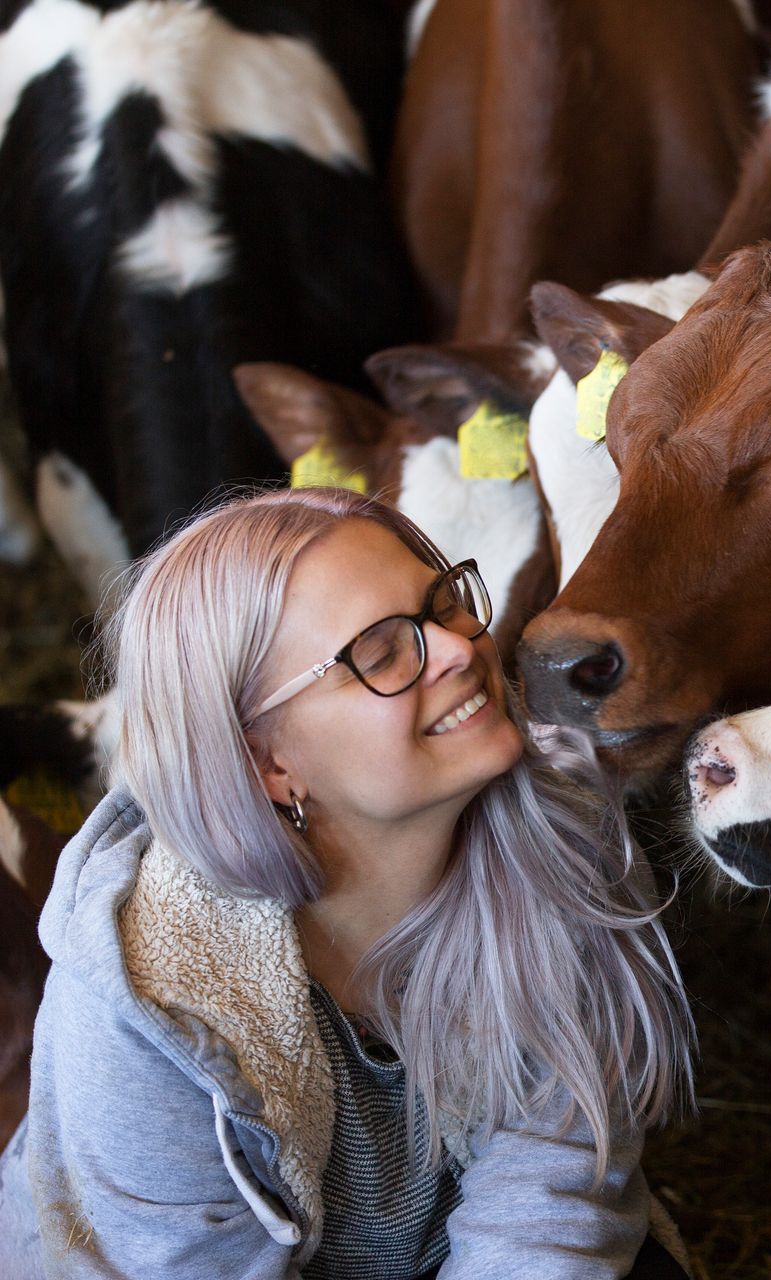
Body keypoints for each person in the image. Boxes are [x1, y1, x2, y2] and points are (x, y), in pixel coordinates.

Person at [0, 488, 695, 1278]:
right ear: (267, 762)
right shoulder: (145, 1007)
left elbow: (551, 1195)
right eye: (380, 652)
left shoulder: (562, 830)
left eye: (442, 604)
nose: (462, 648)